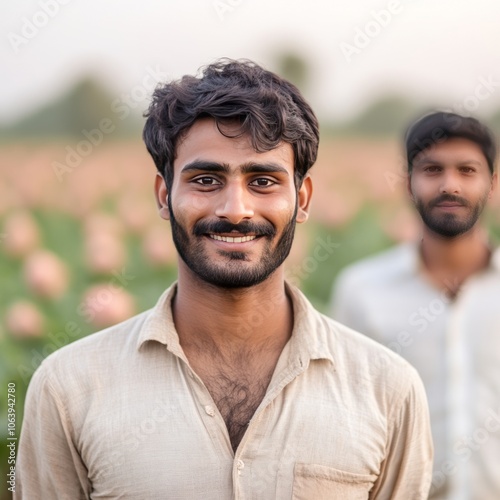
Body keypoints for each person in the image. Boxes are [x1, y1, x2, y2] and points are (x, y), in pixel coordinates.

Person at [16, 58, 433, 499]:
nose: (235, 210)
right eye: (207, 179)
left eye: (264, 181)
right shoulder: (69, 387)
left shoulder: (387, 389)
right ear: (164, 194)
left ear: (302, 198)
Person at [329, 111, 499, 500]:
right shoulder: (362, 290)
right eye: (432, 169)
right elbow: (346, 420)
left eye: (467, 170)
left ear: (493, 184)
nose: (450, 184)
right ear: (408, 184)